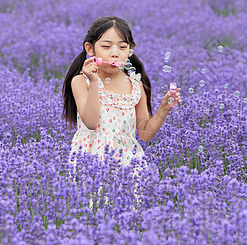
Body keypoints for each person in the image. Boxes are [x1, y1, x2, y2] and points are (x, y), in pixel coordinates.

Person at [62, 16, 181, 167]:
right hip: (90, 160)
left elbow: (144, 134)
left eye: (122, 47)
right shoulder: (81, 81)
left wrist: (163, 109)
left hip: (127, 162)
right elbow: (91, 123)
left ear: (131, 51)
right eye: (106, 47)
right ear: (90, 49)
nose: (115, 53)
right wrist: (93, 82)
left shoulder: (136, 85)